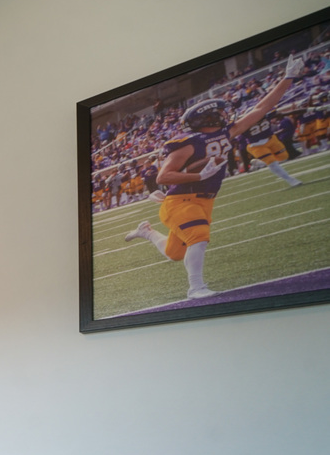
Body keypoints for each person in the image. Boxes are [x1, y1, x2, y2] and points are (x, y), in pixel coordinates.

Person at [123, 53, 306, 299]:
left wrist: (288, 78)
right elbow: (163, 178)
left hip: (204, 201)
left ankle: (146, 232)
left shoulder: (226, 133)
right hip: (181, 202)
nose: (224, 115)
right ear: (207, 117)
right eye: (219, 112)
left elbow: (261, 108)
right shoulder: (189, 143)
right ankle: (195, 288)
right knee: (199, 237)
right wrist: (199, 177)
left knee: (174, 253)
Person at [240, 111, 304, 187]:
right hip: (256, 145)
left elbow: (280, 112)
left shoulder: (265, 115)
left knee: (284, 157)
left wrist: (309, 109)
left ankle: (261, 162)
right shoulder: (243, 124)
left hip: (271, 139)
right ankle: (291, 180)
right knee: (272, 163)